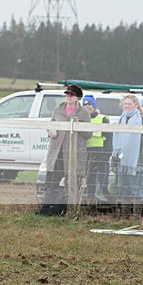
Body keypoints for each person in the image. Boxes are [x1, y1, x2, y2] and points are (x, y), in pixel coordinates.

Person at [38, 84, 91, 216]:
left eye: (71, 95)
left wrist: (78, 126)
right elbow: (51, 124)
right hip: (57, 152)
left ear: (77, 97)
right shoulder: (58, 109)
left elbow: (88, 134)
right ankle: (48, 210)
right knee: (51, 182)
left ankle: (69, 211)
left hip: (74, 154)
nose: (68, 97)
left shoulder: (84, 112)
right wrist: (50, 131)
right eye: (67, 94)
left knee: (72, 183)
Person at [111, 94, 143, 216]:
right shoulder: (120, 120)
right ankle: (124, 216)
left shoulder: (142, 121)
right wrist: (115, 159)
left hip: (136, 162)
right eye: (125, 103)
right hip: (122, 162)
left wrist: (141, 162)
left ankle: (136, 217)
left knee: (137, 191)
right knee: (123, 190)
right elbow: (118, 142)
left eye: (130, 104)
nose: (127, 106)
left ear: (135, 105)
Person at [82, 94, 111, 203]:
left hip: (101, 152)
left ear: (94, 106)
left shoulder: (103, 118)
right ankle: (90, 201)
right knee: (90, 179)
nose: (87, 107)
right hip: (88, 152)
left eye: (89, 104)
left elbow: (109, 137)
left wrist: (107, 153)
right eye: (85, 105)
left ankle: (106, 200)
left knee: (103, 180)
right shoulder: (82, 119)